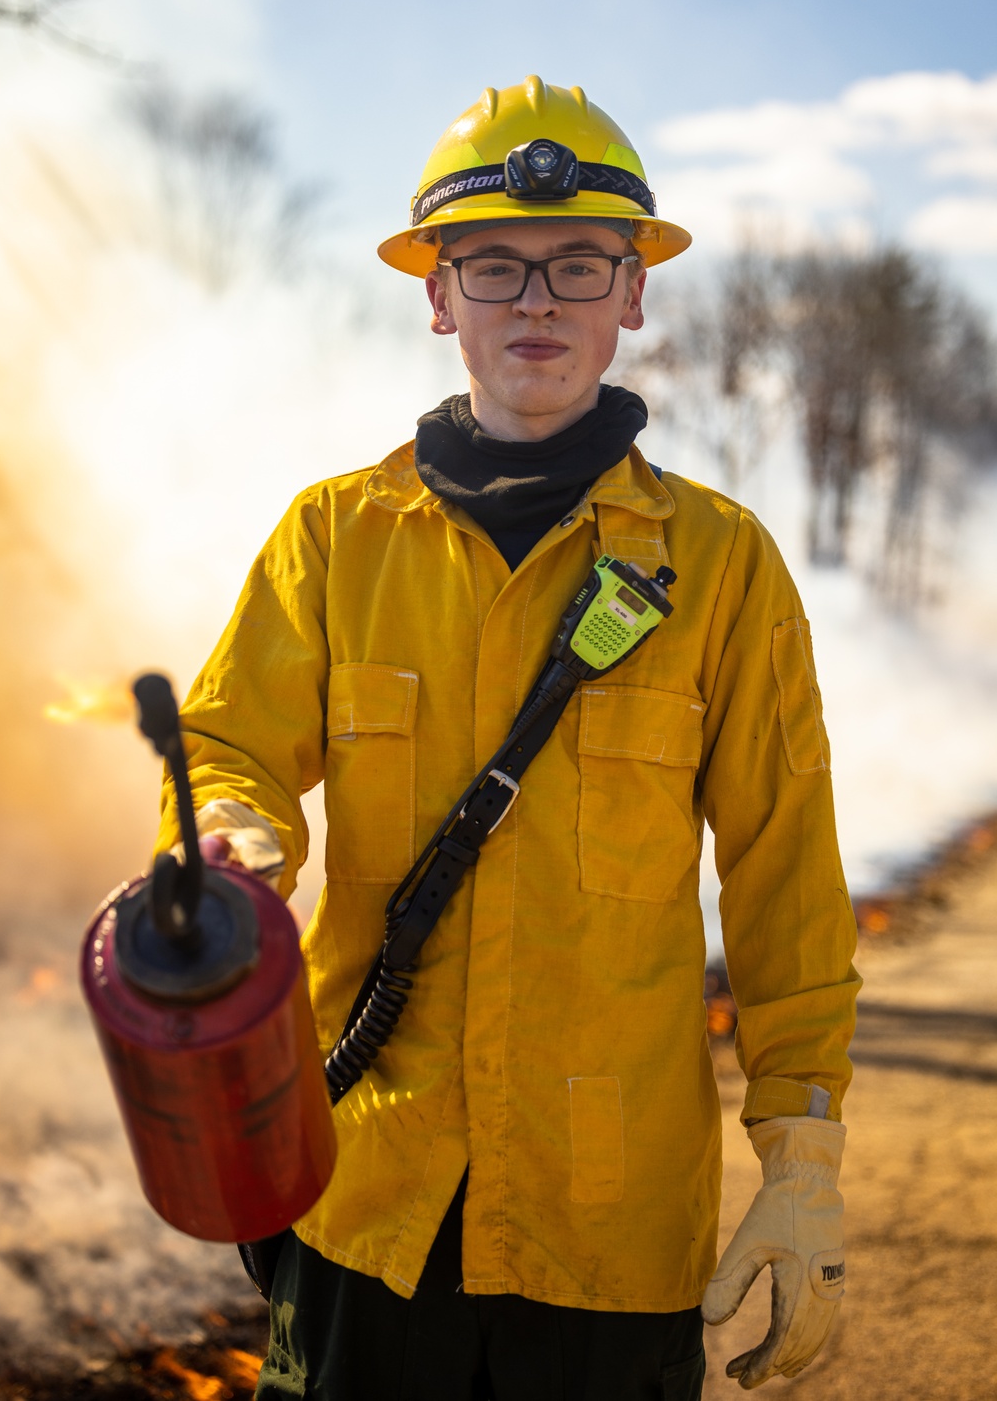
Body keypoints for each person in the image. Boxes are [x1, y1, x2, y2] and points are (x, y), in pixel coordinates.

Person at [158, 76, 860, 1400]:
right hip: (366, 1200)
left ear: (632, 294)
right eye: (494, 268)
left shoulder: (722, 568)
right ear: (438, 295)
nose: (536, 302)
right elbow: (222, 745)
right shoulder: (335, 539)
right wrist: (230, 824)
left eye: (577, 264)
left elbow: (787, 876)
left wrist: (805, 1154)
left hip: (613, 1235)